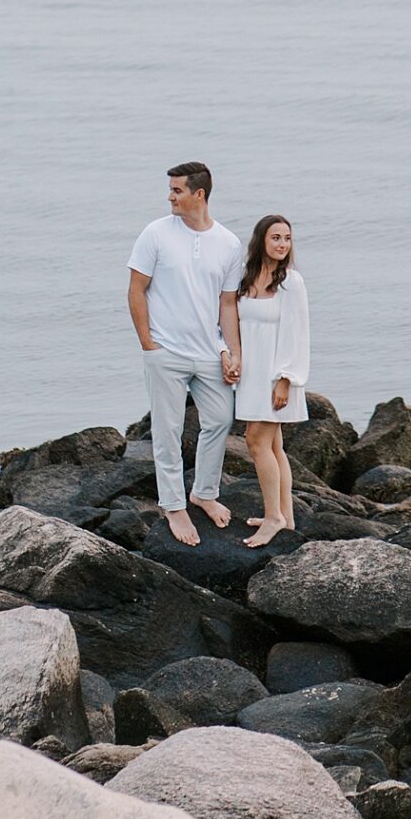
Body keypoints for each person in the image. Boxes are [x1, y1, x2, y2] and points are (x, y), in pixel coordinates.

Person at [127, 163, 244, 548]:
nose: (170, 196)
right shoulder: (156, 233)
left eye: (177, 190)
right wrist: (148, 343)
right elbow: (136, 289)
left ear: (199, 194)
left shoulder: (228, 243)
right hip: (166, 351)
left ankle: (204, 493)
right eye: (170, 189)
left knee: (219, 419)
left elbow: (227, 304)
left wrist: (232, 352)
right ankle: (174, 504)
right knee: (167, 430)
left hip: (209, 352)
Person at [234, 213, 309, 546]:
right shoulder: (246, 277)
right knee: (274, 445)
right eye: (276, 237)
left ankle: (273, 518)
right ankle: (285, 515)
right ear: (262, 240)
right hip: (250, 373)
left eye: (287, 238)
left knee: (256, 442)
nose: (282, 244)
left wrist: (286, 379)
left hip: (275, 376)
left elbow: (298, 334)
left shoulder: (291, 282)